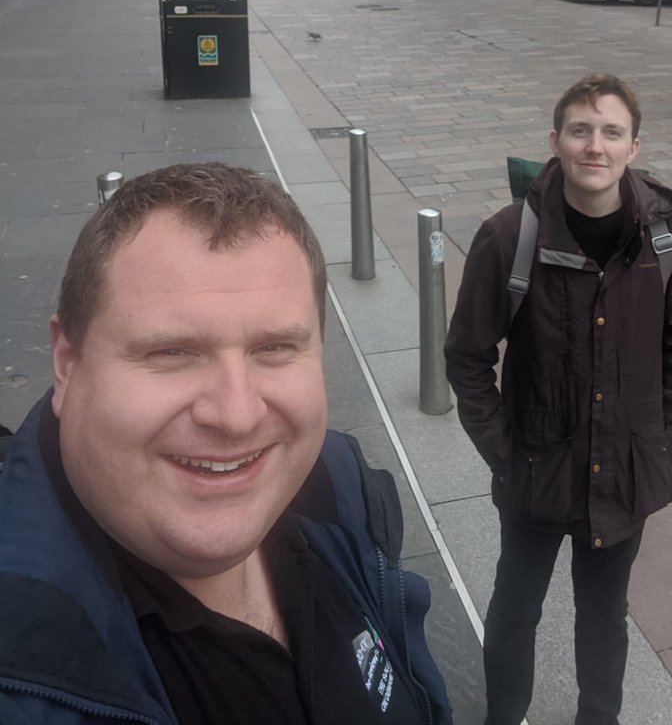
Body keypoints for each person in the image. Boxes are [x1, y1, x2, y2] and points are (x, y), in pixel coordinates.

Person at [0, 163, 450, 725]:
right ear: (68, 364)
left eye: (275, 348)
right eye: (172, 352)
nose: (237, 416)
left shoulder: (340, 489)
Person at [445, 73, 672, 725]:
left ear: (633, 146)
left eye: (612, 132)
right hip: (535, 468)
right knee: (516, 608)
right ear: (555, 141)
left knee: (604, 614)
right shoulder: (510, 237)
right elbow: (467, 357)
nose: (596, 145)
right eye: (581, 130)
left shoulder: (666, 234)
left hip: (625, 471)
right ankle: (505, 716)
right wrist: (504, 451)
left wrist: (669, 437)